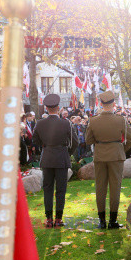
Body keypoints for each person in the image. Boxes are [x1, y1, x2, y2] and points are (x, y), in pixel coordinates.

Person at [86, 91, 131, 229]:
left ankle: (101, 221)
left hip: (100, 156)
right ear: (114, 104)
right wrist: (121, 149)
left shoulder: (93, 120)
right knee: (115, 188)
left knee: (100, 188)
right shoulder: (120, 120)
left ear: (101, 104)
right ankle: (112, 221)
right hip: (116, 156)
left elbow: (88, 140)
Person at [32, 94, 79, 228]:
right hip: (61, 158)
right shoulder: (66, 123)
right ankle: (58, 219)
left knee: (47, 189)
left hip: (47, 158)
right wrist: (67, 152)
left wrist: (45, 148)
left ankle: (48, 219)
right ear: (58, 108)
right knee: (61, 189)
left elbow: (35, 141)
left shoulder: (40, 123)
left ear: (46, 108)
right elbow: (75, 142)